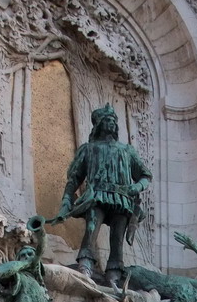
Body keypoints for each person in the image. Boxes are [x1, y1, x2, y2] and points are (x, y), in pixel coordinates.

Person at [53, 103, 152, 285]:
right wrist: (67, 200)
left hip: (122, 198)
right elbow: (74, 178)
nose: (112, 123)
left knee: (117, 237)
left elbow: (145, 175)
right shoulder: (88, 149)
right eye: (108, 120)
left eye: (114, 120)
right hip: (96, 195)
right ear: (98, 124)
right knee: (92, 228)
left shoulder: (127, 150)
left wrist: (135, 188)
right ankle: (85, 263)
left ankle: (114, 271)